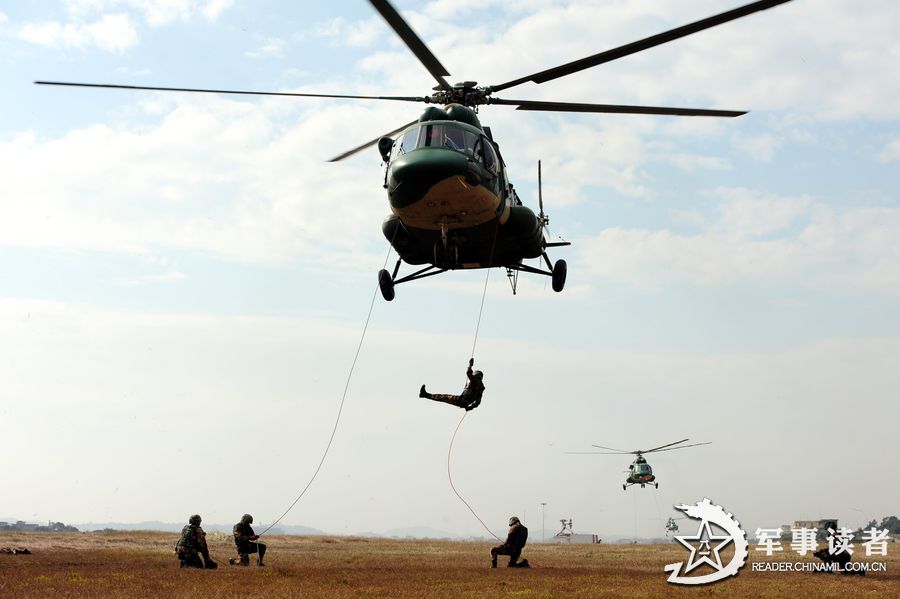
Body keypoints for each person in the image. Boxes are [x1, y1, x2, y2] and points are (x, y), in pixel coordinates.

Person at [419, 358, 484, 411]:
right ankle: (425, 395)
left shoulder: (475, 380)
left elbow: (468, 373)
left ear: (475, 375)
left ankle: (424, 395)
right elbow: (478, 402)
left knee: (443, 397)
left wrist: (470, 365)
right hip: (465, 403)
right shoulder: (481, 388)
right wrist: (470, 407)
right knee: (443, 398)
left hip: (461, 400)